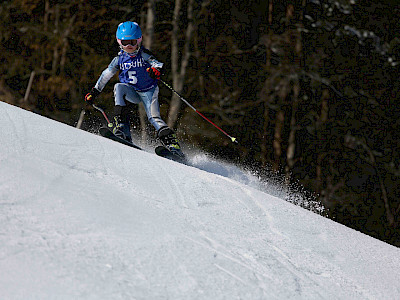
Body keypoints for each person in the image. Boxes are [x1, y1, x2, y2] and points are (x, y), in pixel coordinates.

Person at [85, 21, 183, 157]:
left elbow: (158, 64)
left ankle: (173, 146)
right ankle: (122, 130)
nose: (129, 46)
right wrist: (95, 91)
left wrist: (156, 70)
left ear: (139, 40)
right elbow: (106, 74)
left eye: (132, 42)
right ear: (119, 42)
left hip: (148, 91)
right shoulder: (119, 59)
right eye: (125, 43)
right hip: (131, 91)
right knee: (118, 87)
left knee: (154, 118)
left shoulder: (143, 55)